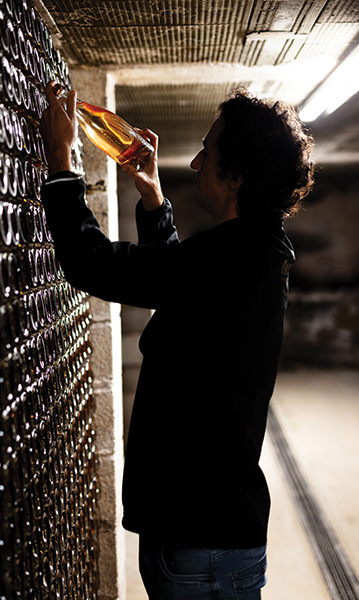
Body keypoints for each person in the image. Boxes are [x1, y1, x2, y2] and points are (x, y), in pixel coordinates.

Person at [39, 83, 315, 599]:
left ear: (235, 176)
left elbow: (95, 265)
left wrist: (61, 166)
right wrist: (152, 195)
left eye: (206, 153)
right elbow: (177, 285)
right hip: (205, 537)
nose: (193, 164)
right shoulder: (247, 254)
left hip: (204, 545)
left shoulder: (235, 259)